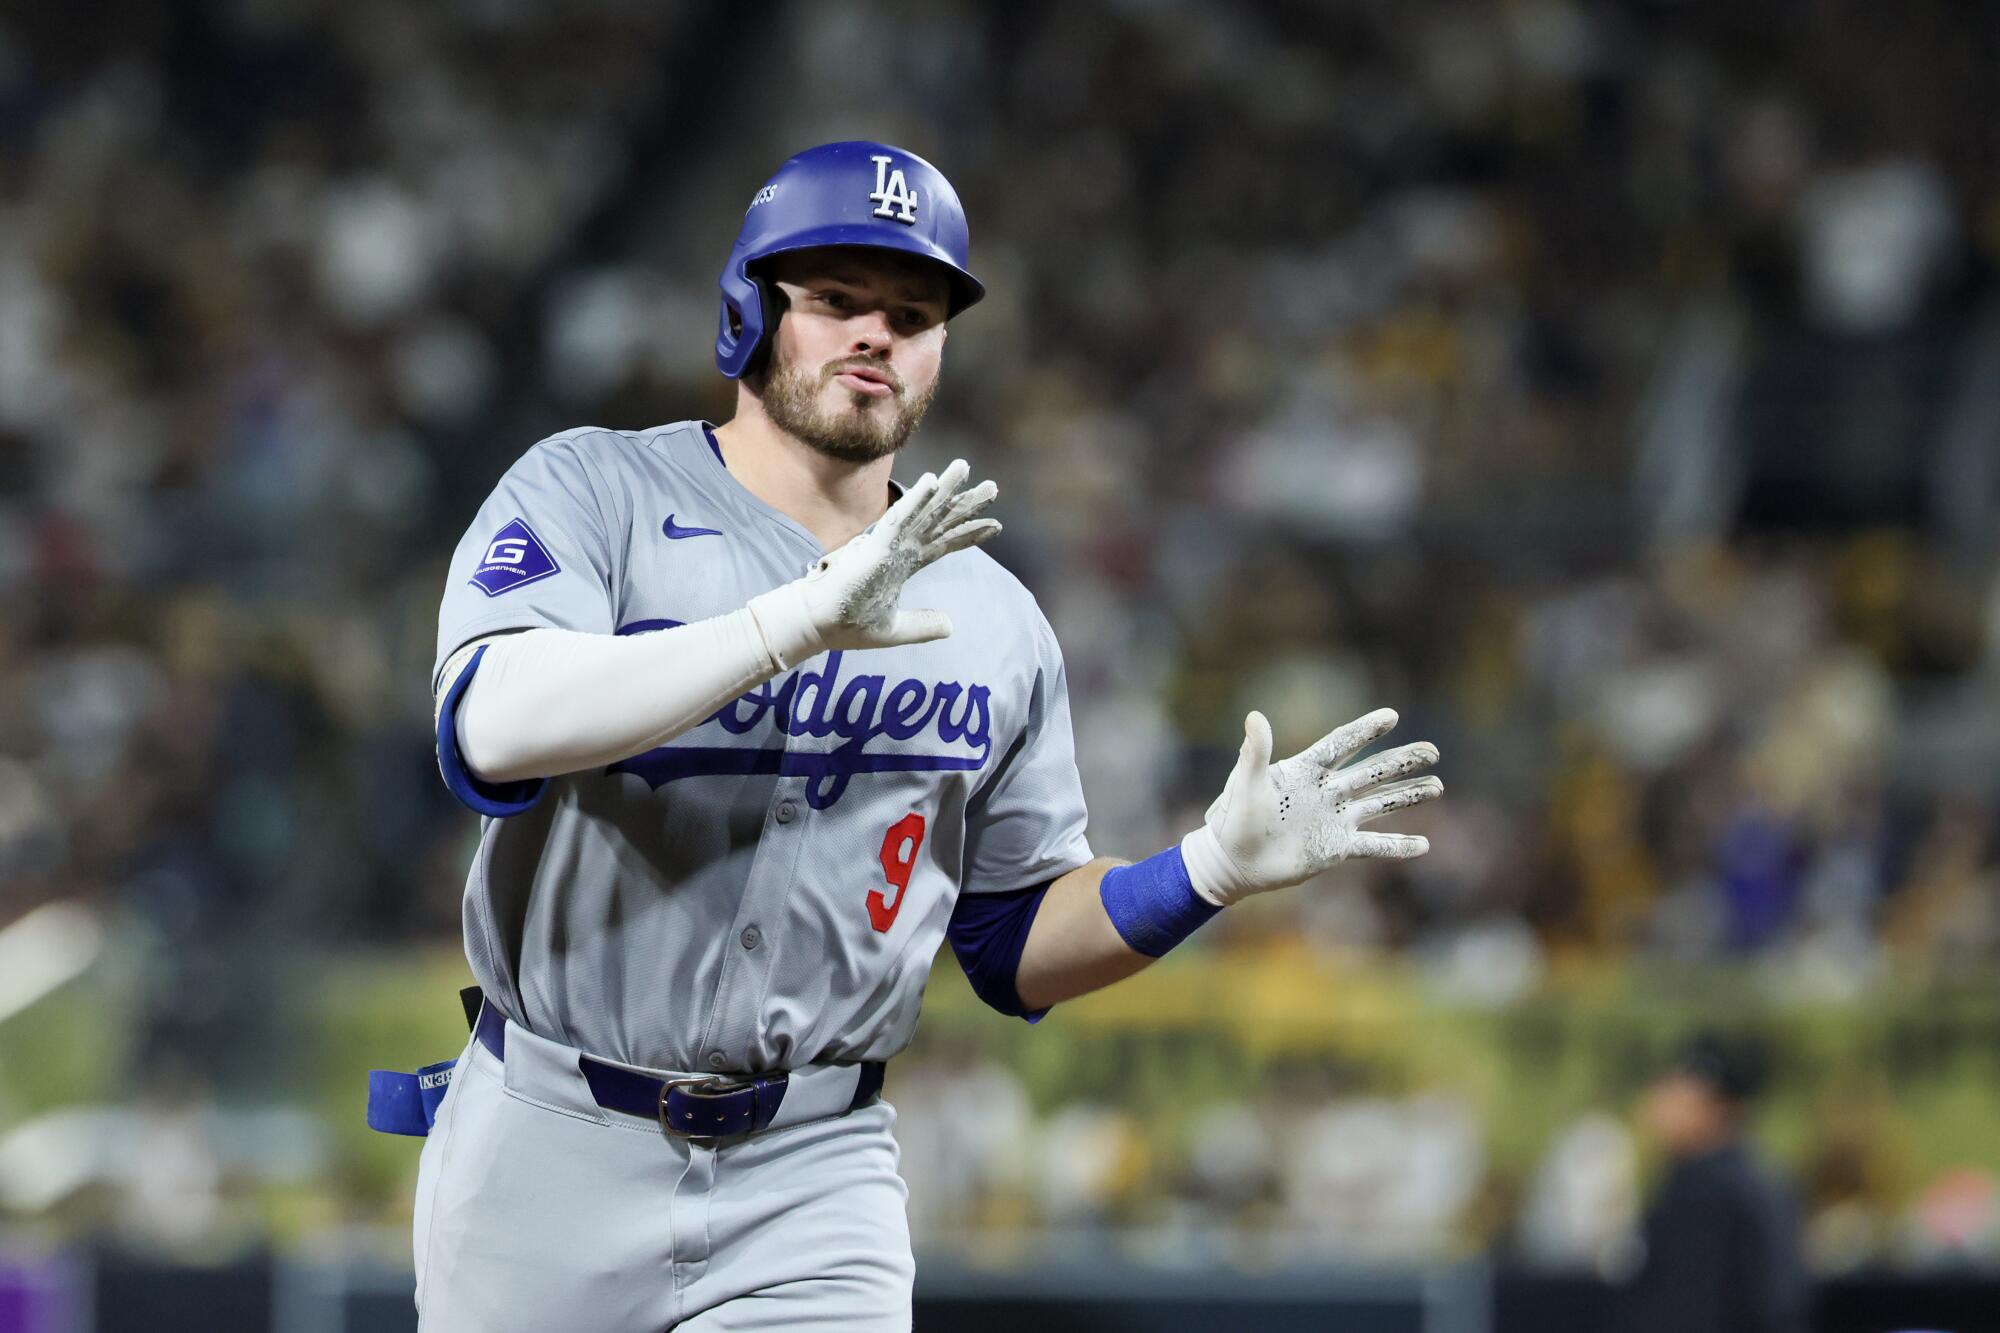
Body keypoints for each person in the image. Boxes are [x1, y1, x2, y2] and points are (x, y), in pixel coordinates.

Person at [380, 140, 1443, 1331]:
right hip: (549, 1141)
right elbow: (494, 719)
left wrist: (1202, 872)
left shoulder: (991, 615)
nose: (874, 334)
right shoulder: (592, 492)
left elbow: (1008, 938)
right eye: (834, 300)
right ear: (747, 312)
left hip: (812, 1169)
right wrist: (788, 622)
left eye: (912, 311)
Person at [1617, 1031, 1810, 1333]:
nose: (1656, 1106)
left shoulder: (1704, 1189)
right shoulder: (1766, 1176)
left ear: (1712, 1105)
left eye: (1671, 1092)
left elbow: (1687, 1314)